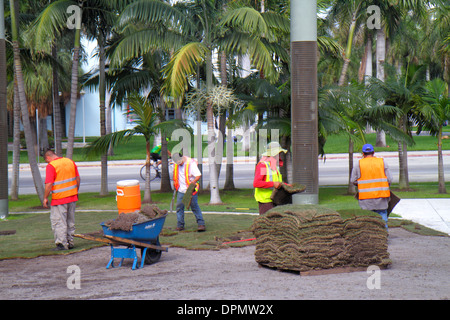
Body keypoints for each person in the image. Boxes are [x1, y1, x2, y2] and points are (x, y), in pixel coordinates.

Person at [43, 150, 81, 250]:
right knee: (70, 221)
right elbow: (77, 178)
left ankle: (62, 244)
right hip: (72, 196)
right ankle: (70, 241)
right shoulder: (69, 161)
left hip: (59, 198)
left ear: (48, 158)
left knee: (59, 221)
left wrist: (45, 197)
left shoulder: (51, 166)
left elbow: (49, 184)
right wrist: (75, 191)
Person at [351, 144, 393, 230]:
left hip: (366, 199)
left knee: (368, 221)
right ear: (373, 152)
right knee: (382, 219)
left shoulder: (358, 164)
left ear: (363, 154)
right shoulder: (382, 162)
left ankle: (370, 239)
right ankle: (384, 236)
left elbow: (353, 180)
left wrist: (361, 185)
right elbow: (390, 179)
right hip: (381, 197)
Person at [172, 152, 206, 232]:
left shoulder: (191, 164)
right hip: (181, 189)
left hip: (190, 190)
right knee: (179, 208)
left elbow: (198, 175)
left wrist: (192, 183)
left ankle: (201, 224)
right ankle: (180, 225)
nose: (179, 164)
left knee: (194, 206)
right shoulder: (176, 163)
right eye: (177, 163)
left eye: (180, 162)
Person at [253, 141, 288, 215]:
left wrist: (287, 185)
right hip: (266, 201)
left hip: (274, 200)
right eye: (278, 153)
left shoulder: (273, 166)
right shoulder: (263, 166)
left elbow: (277, 182)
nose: (279, 155)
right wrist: (273, 184)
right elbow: (257, 183)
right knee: (266, 224)